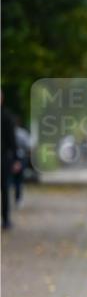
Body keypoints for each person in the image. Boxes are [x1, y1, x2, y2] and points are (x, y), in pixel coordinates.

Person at [1, 90, 17, 230]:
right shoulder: (6, 117)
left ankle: (5, 219)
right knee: (4, 188)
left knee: (5, 189)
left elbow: (12, 140)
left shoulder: (6, 117)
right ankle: (5, 220)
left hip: (3, 157)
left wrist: (15, 158)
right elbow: (12, 140)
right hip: (4, 157)